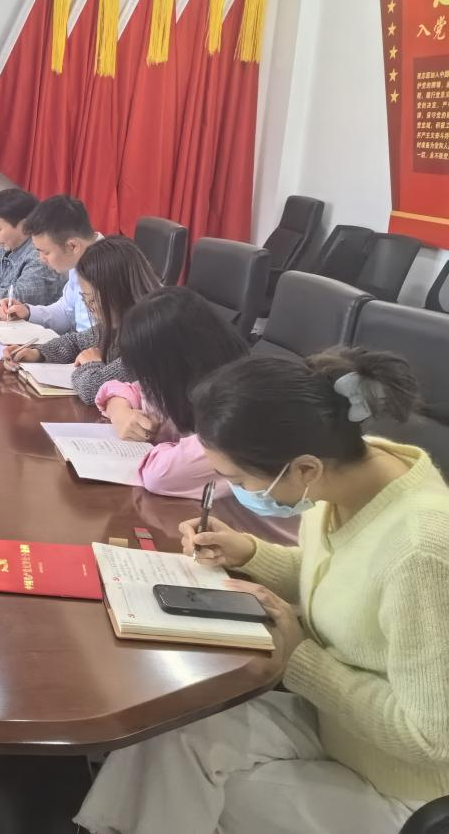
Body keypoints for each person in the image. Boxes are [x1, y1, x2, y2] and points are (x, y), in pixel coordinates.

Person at [75, 348, 448, 834]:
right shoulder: (350, 471)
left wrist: (301, 657)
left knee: (187, 793)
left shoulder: (421, 552)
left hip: (399, 786)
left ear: (305, 470)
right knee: (169, 734)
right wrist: (249, 551)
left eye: (238, 479)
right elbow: (342, 578)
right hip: (337, 725)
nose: (236, 488)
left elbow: (430, 737)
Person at [94, 286, 249, 498]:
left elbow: (158, 475)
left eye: (151, 374)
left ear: (177, 365)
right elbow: (125, 389)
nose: (149, 383)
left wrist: (161, 444)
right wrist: (120, 412)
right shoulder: (185, 385)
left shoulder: (233, 416)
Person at [3, 236, 160, 404]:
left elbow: (92, 389)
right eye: (84, 298)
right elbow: (76, 342)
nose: (88, 306)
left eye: (91, 299)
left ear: (118, 292)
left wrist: (90, 364)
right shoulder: (119, 322)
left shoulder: (150, 338)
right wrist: (38, 353)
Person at [0, 194, 101, 333]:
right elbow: (66, 311)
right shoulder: (80, 259)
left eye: (46, 252)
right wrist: (27, 312)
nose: (41, 259)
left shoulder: (112, 266)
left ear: (72, 246)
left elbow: (98, 336)